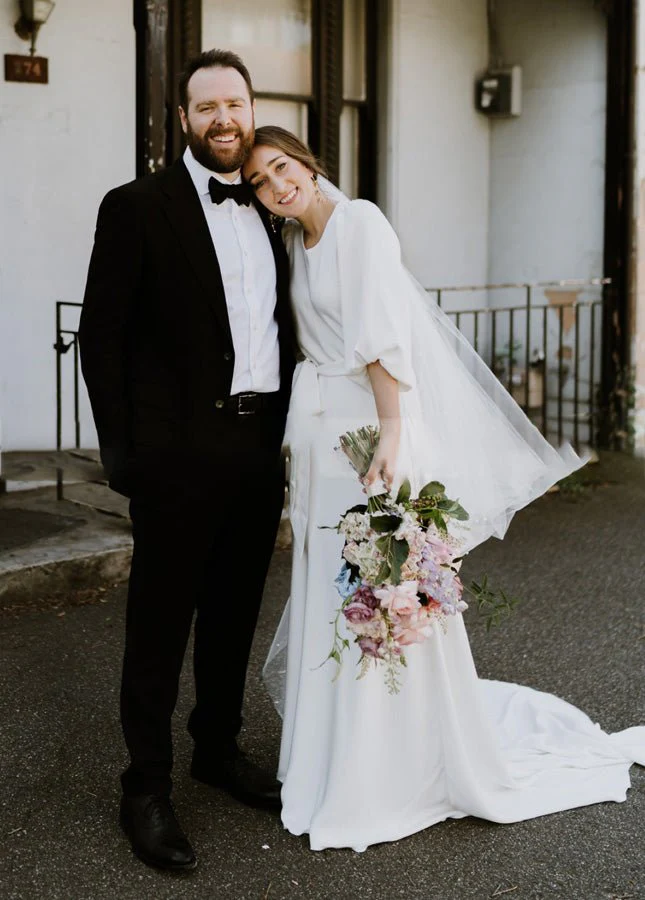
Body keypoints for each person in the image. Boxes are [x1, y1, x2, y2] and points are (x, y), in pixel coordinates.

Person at [242, 127, 645, 853]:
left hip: (371, 431)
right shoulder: (293, 247)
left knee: (383, 587)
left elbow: (385, 333)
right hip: (321, 439)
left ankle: (393, 770)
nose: (277, 183)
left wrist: (393, 435)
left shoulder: (357, 221)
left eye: (282, 165)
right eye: (261, 180)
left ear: (306, 161)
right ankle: (333, 761)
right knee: (335, 592)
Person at [79, 52, 295, 871]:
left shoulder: (274, 202)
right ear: (182, 120)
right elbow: (102, 337)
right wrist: (125, 457)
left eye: (233, 104)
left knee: (235, 612)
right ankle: (145, 786)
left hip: (255, 450)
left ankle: (216, 747)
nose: (222, 119)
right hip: (174, 457)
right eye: (205, 107)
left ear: (250, 108)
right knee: (159, 626)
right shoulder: (136, 207)